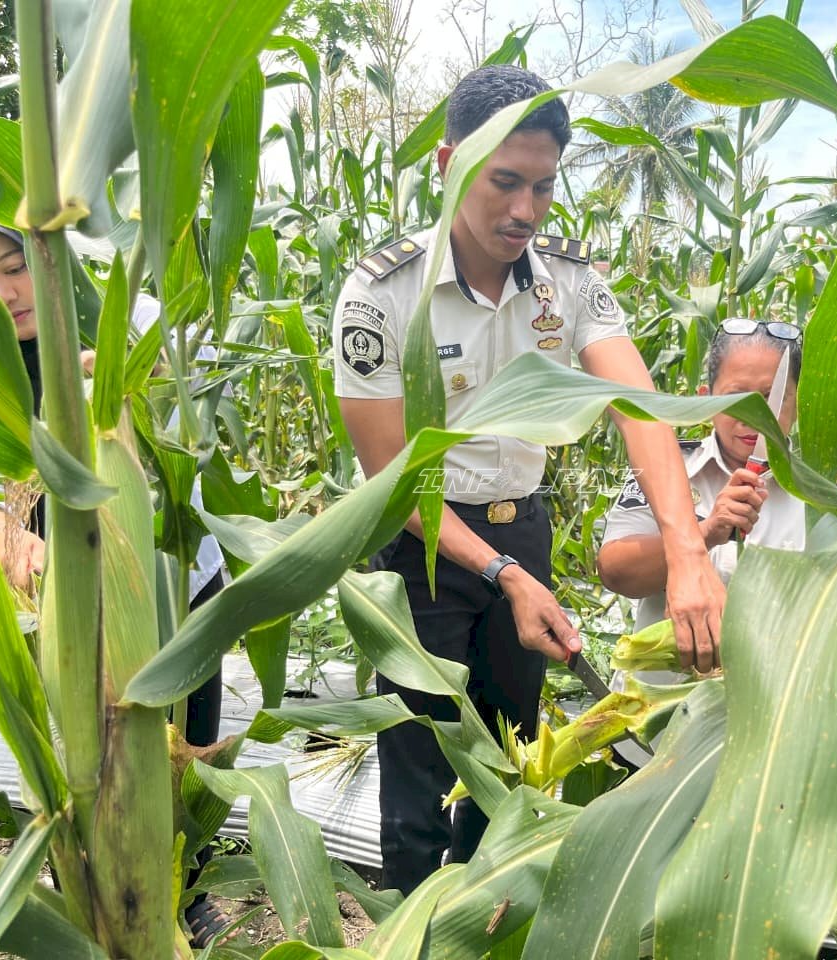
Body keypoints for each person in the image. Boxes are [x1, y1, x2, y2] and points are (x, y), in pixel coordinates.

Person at [330, 65, 727, 894]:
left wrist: (688, 552)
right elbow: (390, 476)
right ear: (448, 167)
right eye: (503, 182)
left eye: (543, 188)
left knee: (509, 767)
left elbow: (641, 407)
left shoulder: (569, 282)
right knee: (419, 777)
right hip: (422, 550)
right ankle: (415, 933)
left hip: (523, 531)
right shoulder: (381, 291)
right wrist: (502, 575)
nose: (523, 211)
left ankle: (488, 920)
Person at [0, 186, 229, 946]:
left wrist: (123, 389)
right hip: (69, 621)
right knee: (91, 789)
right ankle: (99, 918)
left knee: (181, 775)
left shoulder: (116, 327)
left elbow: (192, 411)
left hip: (176, 596)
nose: (3, 296)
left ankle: (188, 908)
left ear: (49, 257)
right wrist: (5, 534)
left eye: (14, 266)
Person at [599, 317, 807, 678]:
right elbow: (615, 570)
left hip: (772, 715)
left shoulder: (821, 497)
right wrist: (708, 531)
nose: (754, 418)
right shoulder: (667, 467)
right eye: (737, 399)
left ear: (797, 402)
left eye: (770, 399)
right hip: (659, 719)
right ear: (704, 401)